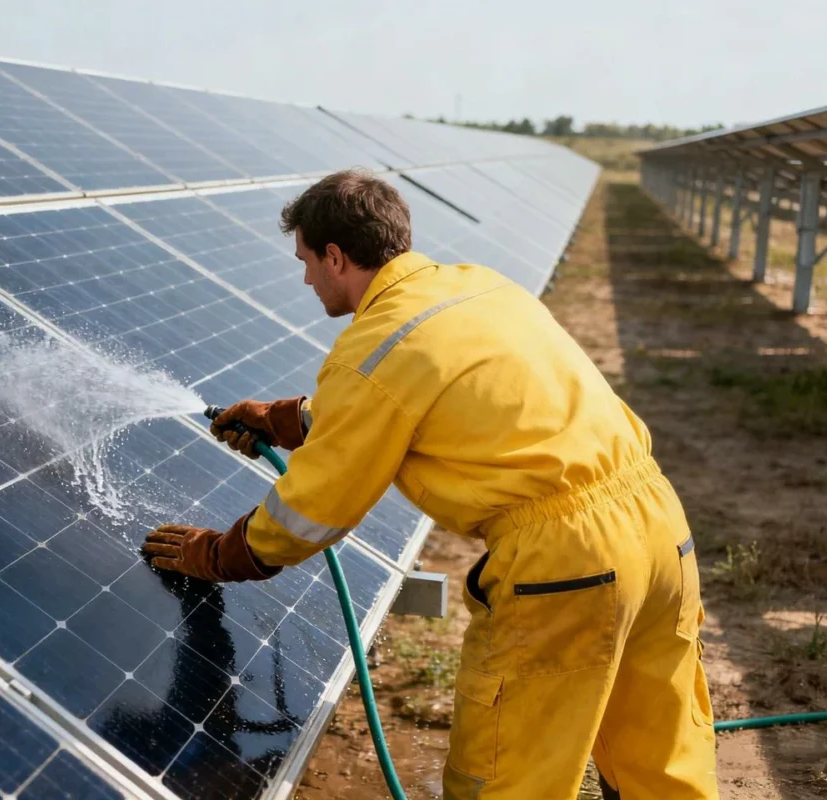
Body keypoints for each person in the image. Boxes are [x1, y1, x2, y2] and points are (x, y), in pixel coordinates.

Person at [143, 169, 719, 799]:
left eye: (307, 260)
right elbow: (425, 396)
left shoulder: (373, 348)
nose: (306, 277)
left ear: (336, 256)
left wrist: (219, 554)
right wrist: (284, 420)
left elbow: (312, 511)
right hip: (662, 532)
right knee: (660, 762)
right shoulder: (478, 289)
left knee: (507, 780)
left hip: (568, 567)